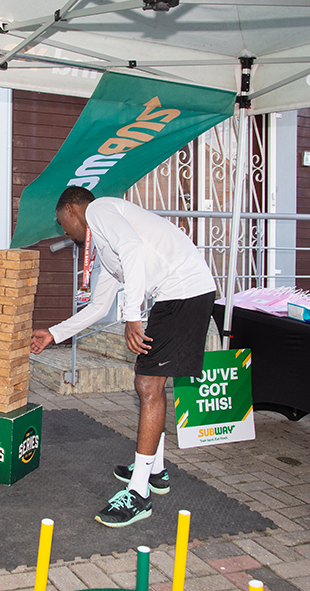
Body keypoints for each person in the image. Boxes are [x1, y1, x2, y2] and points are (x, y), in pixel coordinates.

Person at [30, 186, 216, 528]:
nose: (64, 232)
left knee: (148, 385)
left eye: (62, 223)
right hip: (177, 294)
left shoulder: (99, 210)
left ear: (71, 210)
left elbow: (133, 248)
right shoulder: (104, 244)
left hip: (182, 292)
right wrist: (54, 333)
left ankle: (139, 493)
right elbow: (99, 307)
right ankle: (154, 470)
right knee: (152, 384)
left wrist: (132, 314)